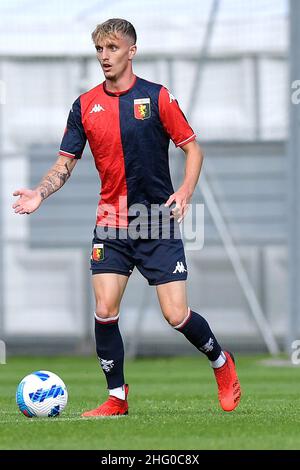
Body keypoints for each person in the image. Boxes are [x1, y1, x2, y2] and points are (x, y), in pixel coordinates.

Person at [12, 18, 241, 417]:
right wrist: (39, 193)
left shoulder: (157, 98)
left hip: (156, 221)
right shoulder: (84, 106)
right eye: (100, 49)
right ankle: (117, 398)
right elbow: (64, 164)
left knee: (175, 315)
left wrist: (185, 191)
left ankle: (222, 363)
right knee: (104, 310)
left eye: (113, 48)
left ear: (131, 51)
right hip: (111, 223)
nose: (105, 56)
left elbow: (194, 150)